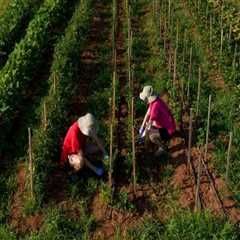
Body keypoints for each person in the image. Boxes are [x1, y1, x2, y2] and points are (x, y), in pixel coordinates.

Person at [139, 86, 176, 156]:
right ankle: (158, 142)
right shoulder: (155, 101)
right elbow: (147, 114)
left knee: (151, 136)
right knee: (149, 129)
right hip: (166, 125)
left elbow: (149, 124)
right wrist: (141, 127)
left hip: (168, 130)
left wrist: (143, 135)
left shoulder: (155, 106)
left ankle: (163, 148)